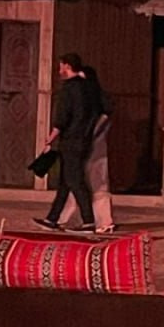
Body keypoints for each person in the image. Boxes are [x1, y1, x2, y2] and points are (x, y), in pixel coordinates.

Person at [34, 53, 100, 232]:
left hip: (71, 140)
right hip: (85, 140)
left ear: (67, 66)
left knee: (76, 181)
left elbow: (63, 117)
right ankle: (52, 219)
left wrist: (51, 138)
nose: (59, 70)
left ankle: (88, 222)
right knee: (65, 181)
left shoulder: (69, 89)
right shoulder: (88, 88)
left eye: (61, 66)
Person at [59, 66, 115, 234]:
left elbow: (102, 121)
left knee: (97, 182)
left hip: (95, 146)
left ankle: (104, 221)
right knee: (77, 181)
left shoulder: (98, 99)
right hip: (82, 146)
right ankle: (72, 218)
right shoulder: (83, 99)